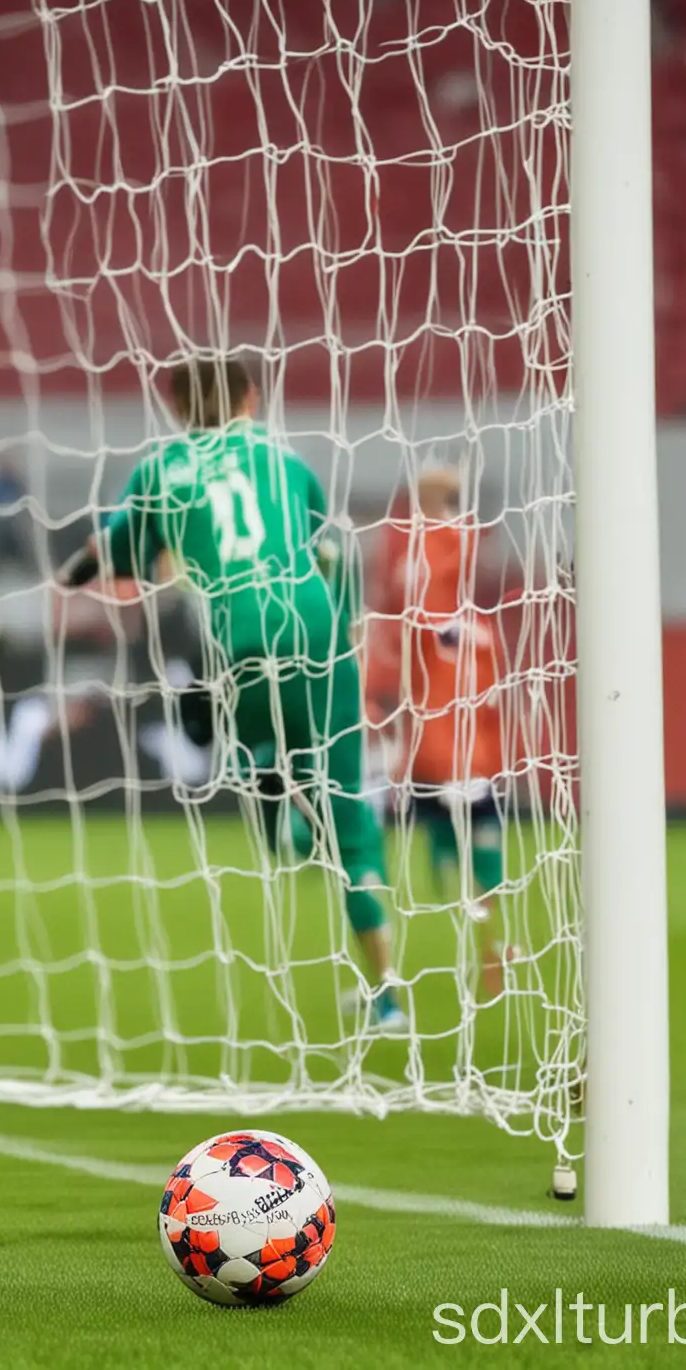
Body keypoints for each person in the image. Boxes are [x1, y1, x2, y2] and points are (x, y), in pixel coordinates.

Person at [57, 356, 404, 1033]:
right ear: (251, 396)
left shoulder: (160, 470)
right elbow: (327, 550)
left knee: (252, 760)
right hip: (317, 626)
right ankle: (387, 995)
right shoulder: (286, 464)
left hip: (236, 634)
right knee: (350, 821)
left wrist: (72, 571)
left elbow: (120, 551)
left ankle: (275, 798)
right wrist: (350, 634)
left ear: (177, 408)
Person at [371, 465, 511, 999]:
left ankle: (465, 949)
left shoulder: (434, 624)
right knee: (467, 847)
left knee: (427, 848)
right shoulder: (471, 629)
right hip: (457, 759)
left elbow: (413, 584)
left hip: (446, 759)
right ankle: (485, 941)